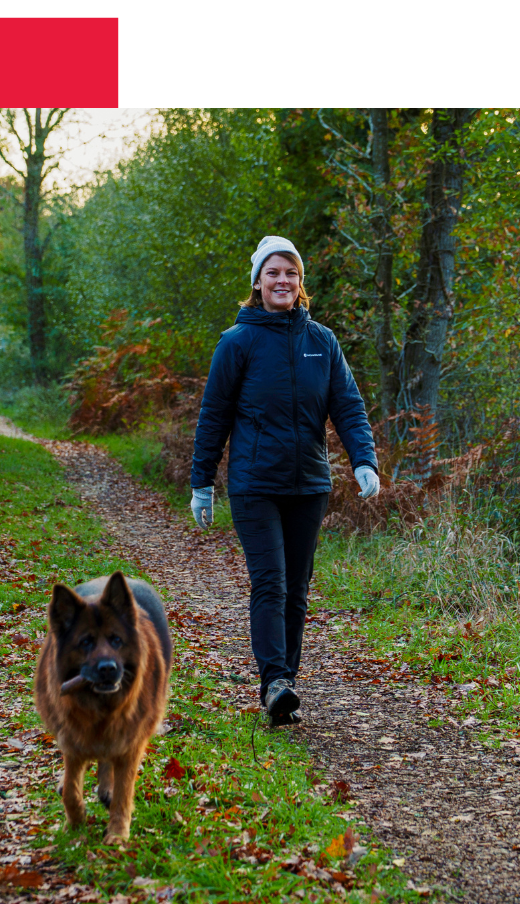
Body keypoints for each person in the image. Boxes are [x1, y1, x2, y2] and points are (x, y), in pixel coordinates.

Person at [189, 235, 380, 727]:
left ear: (301, 283)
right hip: (255, 485)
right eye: (273, 273)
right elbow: (214, 416)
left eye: (290, 273)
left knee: (297, 588)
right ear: (258, 282)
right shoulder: (238, 343)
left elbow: (348, 406)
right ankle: (274, 680)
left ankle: (285, 685)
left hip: (309, 485)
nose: (282, 281)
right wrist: (202, 483)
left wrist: (364, 460)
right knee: (270, 582)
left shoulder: (322, 342)